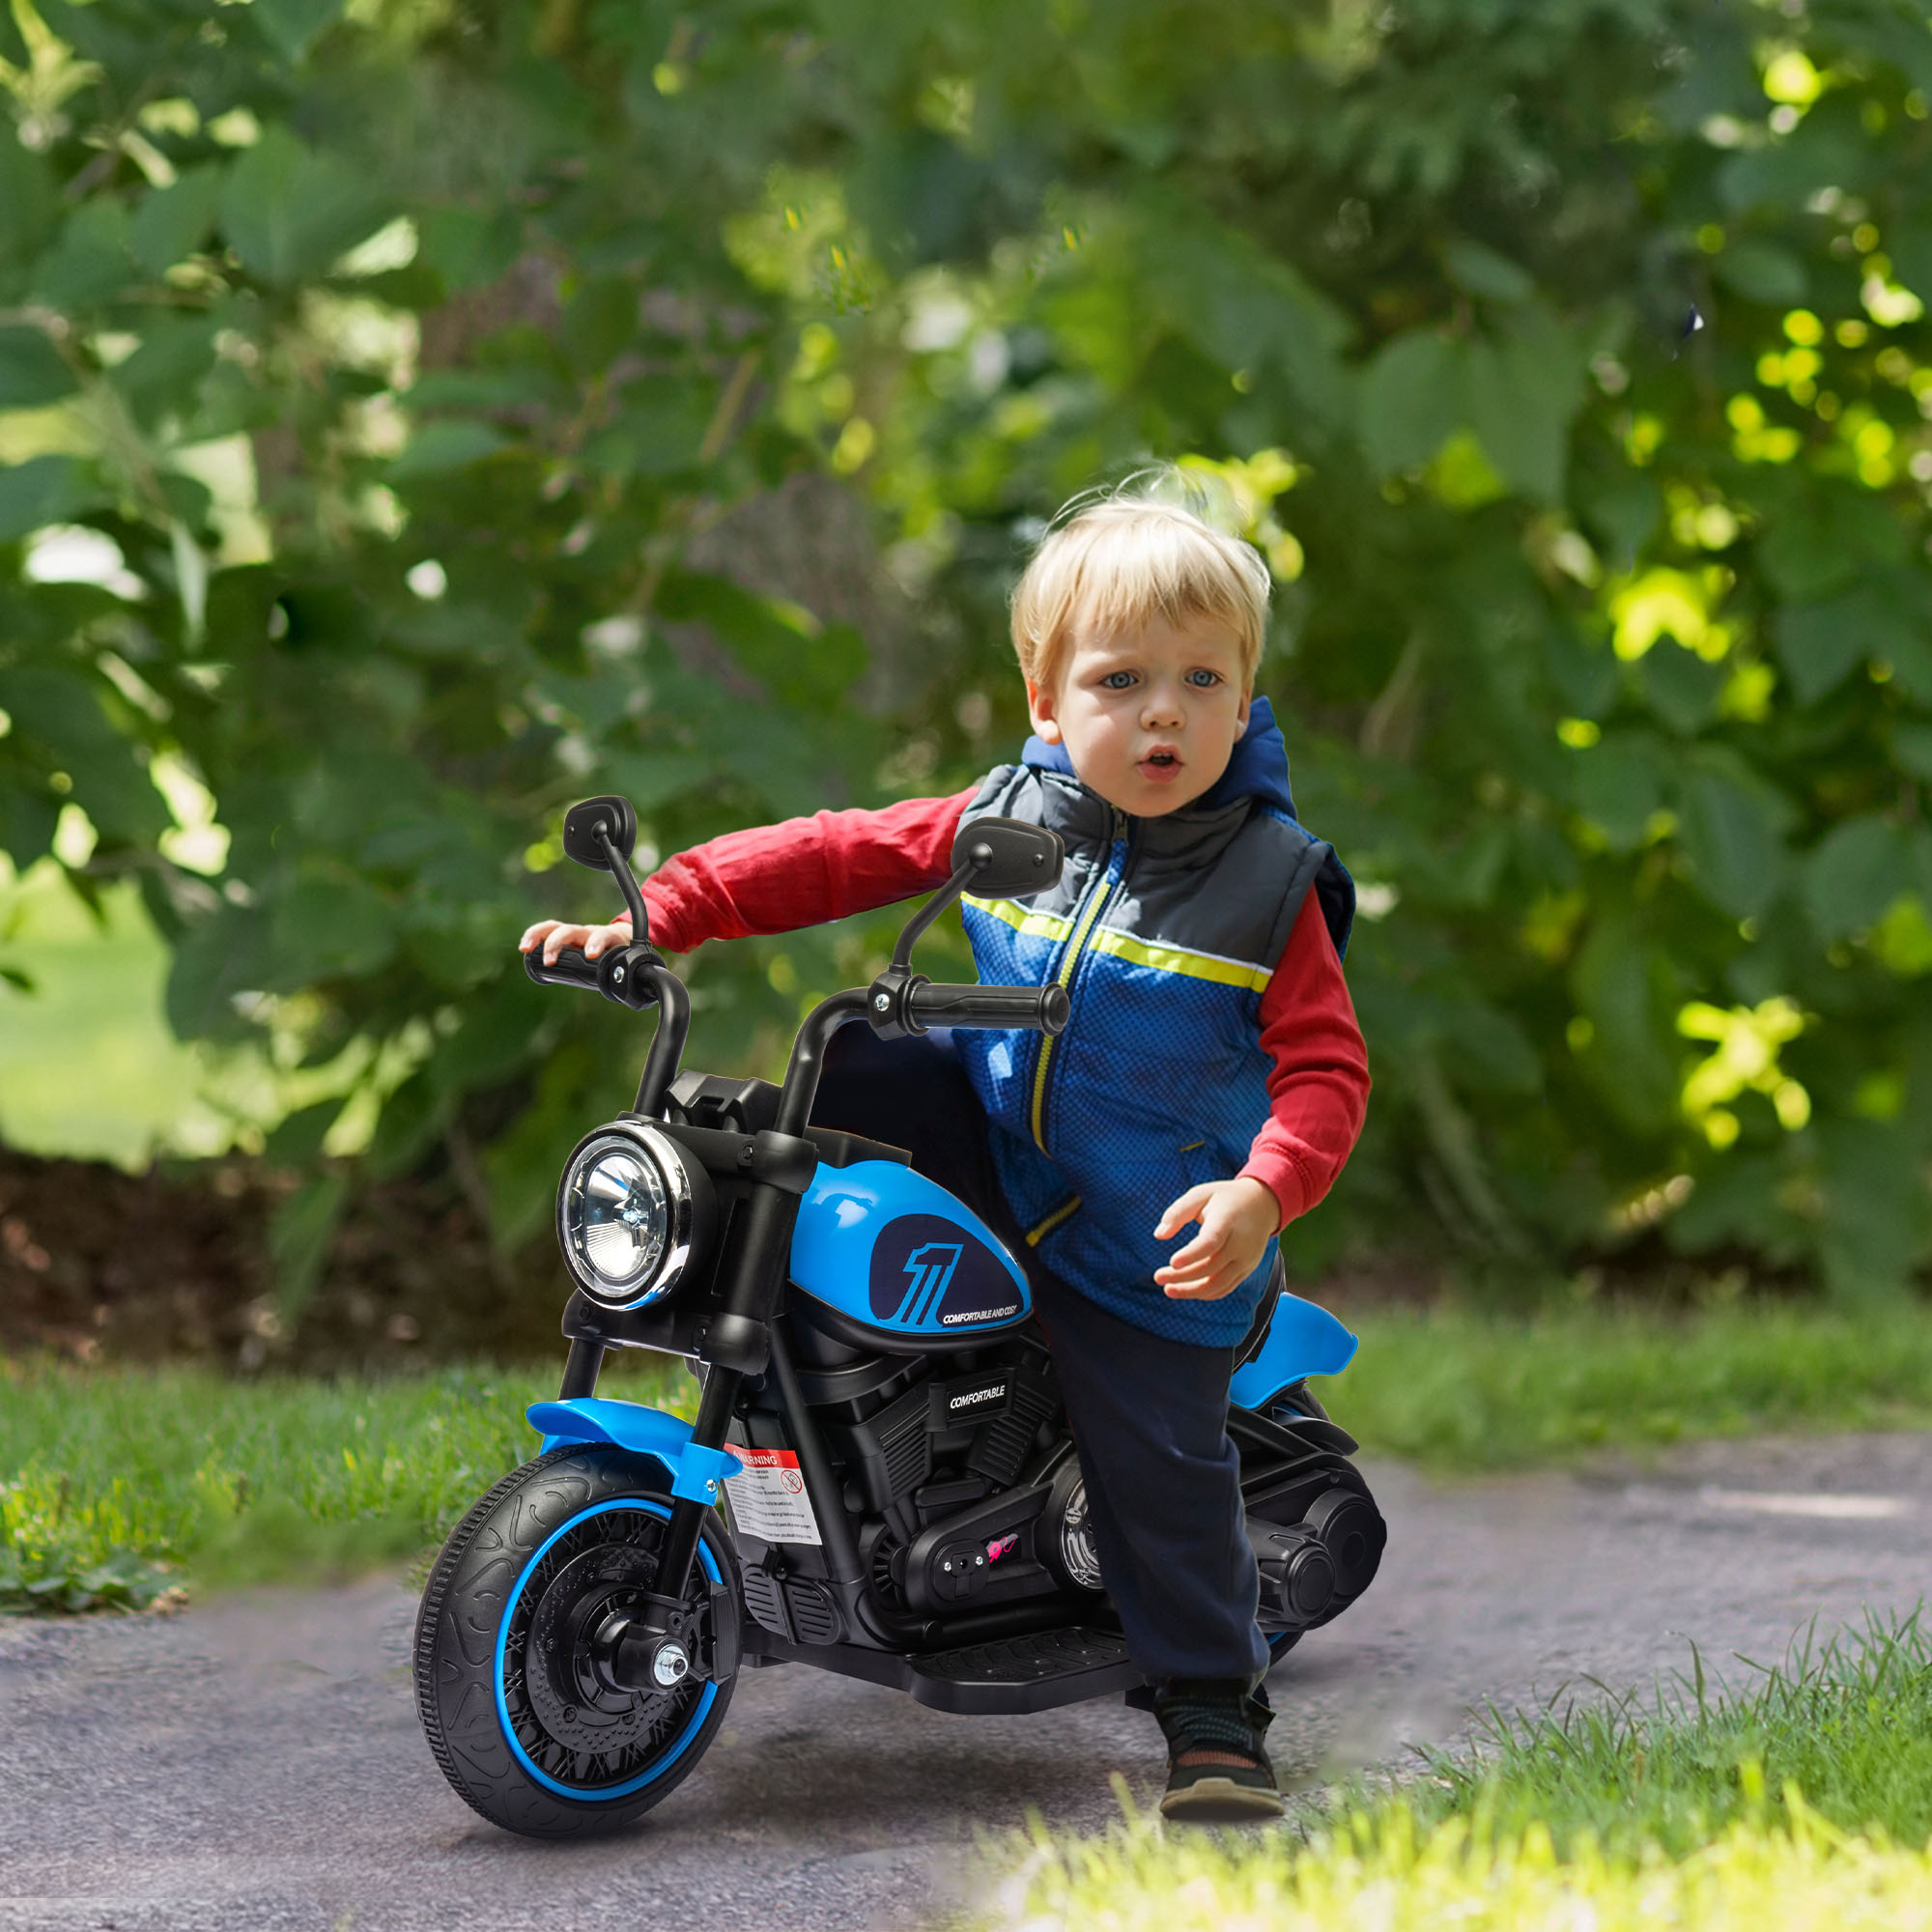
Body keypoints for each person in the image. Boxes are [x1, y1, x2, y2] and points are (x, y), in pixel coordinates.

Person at [521, 483, 1370, 1821]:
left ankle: (1213, 1709)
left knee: (1154, 1446)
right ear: (1046, 694)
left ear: (1247, 690)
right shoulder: (1009, 815)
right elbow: (835, 854)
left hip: (1140, 1231)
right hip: (993, 1167)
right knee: (846, 1064)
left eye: (1204, 679)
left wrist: (1262, 1191)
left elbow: (1326, 1072)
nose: (1164, 711)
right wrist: (665, 911)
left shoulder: (1265, 880)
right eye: (1123, 678)